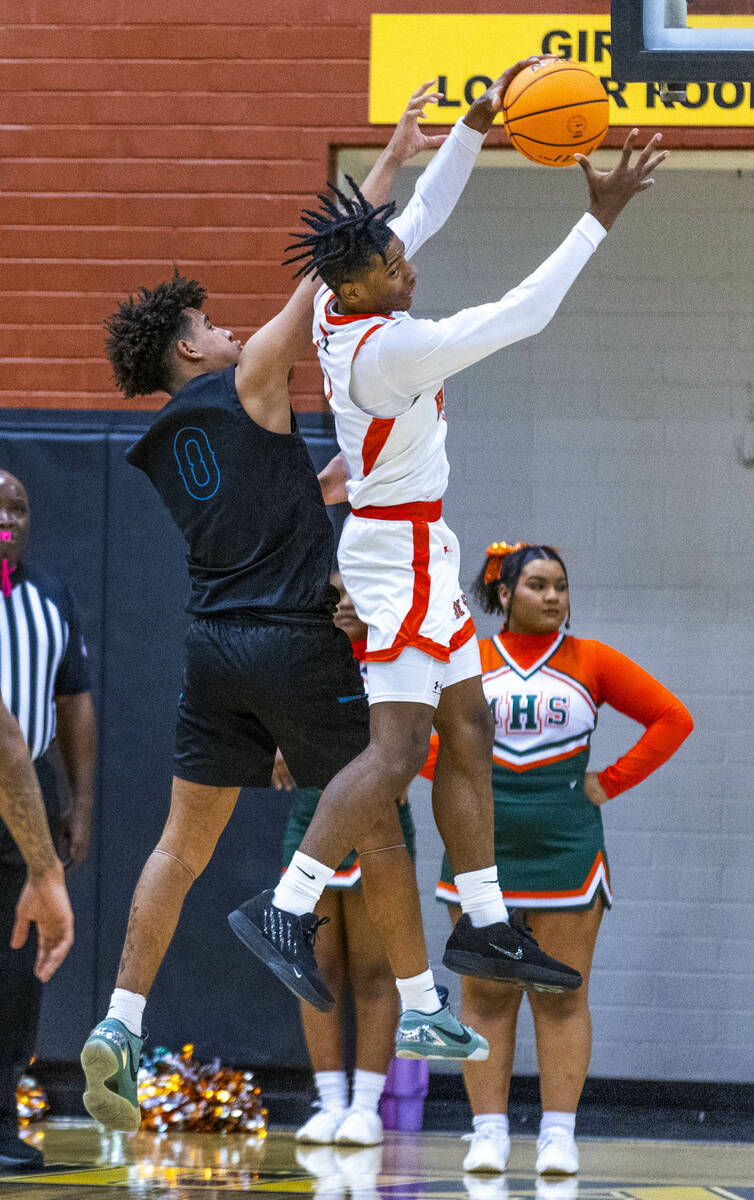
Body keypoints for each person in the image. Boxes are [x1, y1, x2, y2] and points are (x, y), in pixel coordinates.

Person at [80, 85, 496, 1137]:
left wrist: (344, 489)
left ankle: (121, 1023)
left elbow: (281, 499)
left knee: (180, 848)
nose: (224, 330)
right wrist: (394, 164)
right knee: (382, 814)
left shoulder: (166, 444)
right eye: (206, 326)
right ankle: (421, 1010)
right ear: (187, 351)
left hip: (210, 648)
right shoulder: (253, 377)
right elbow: (328, 274)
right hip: (292, 640)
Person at [234, 93, 669, 1012]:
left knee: (470, 730)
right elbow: (520, 316)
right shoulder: (389, 350)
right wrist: (597, 219)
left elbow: (418, 216)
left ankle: (482, 920)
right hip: (397, 556)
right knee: (395, 755)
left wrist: (472, 129)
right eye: (394, 269)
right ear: (356, 290)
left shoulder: (337, 299)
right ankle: (286, 904)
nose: (410, 272)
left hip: (425, 543)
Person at [429, 541, 693, 1176]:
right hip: (479, 850)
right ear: (503, 594)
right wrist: (452, 777)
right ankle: (488, 1132)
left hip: (567, 851)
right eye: (538, 585)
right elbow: (410, 732)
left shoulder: (591, 661)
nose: (552, 597)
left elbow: (671, 717)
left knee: (561, 995)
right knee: (486, 996)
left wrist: (611, 781)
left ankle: (557, 1135)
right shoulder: (466, 659)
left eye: (561, 587)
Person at [278, 573, 416, 1148]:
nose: (343, 604)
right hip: (310, 816)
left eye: (355, 593)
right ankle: (330, 1103)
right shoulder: (305, 656)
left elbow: (429, 730)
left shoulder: (400, 658)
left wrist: (408, 764)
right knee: (314, 969)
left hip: (380, 819)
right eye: (333, 593)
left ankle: (366, 1108)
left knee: (374, 971)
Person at [0, 468, 94, 1171]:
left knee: (15, 969)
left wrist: (79, 801)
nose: (9, 516)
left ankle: (3, 1120)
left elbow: (73, 703)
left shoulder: (49, 595)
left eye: (20, 506)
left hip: (22, 797)